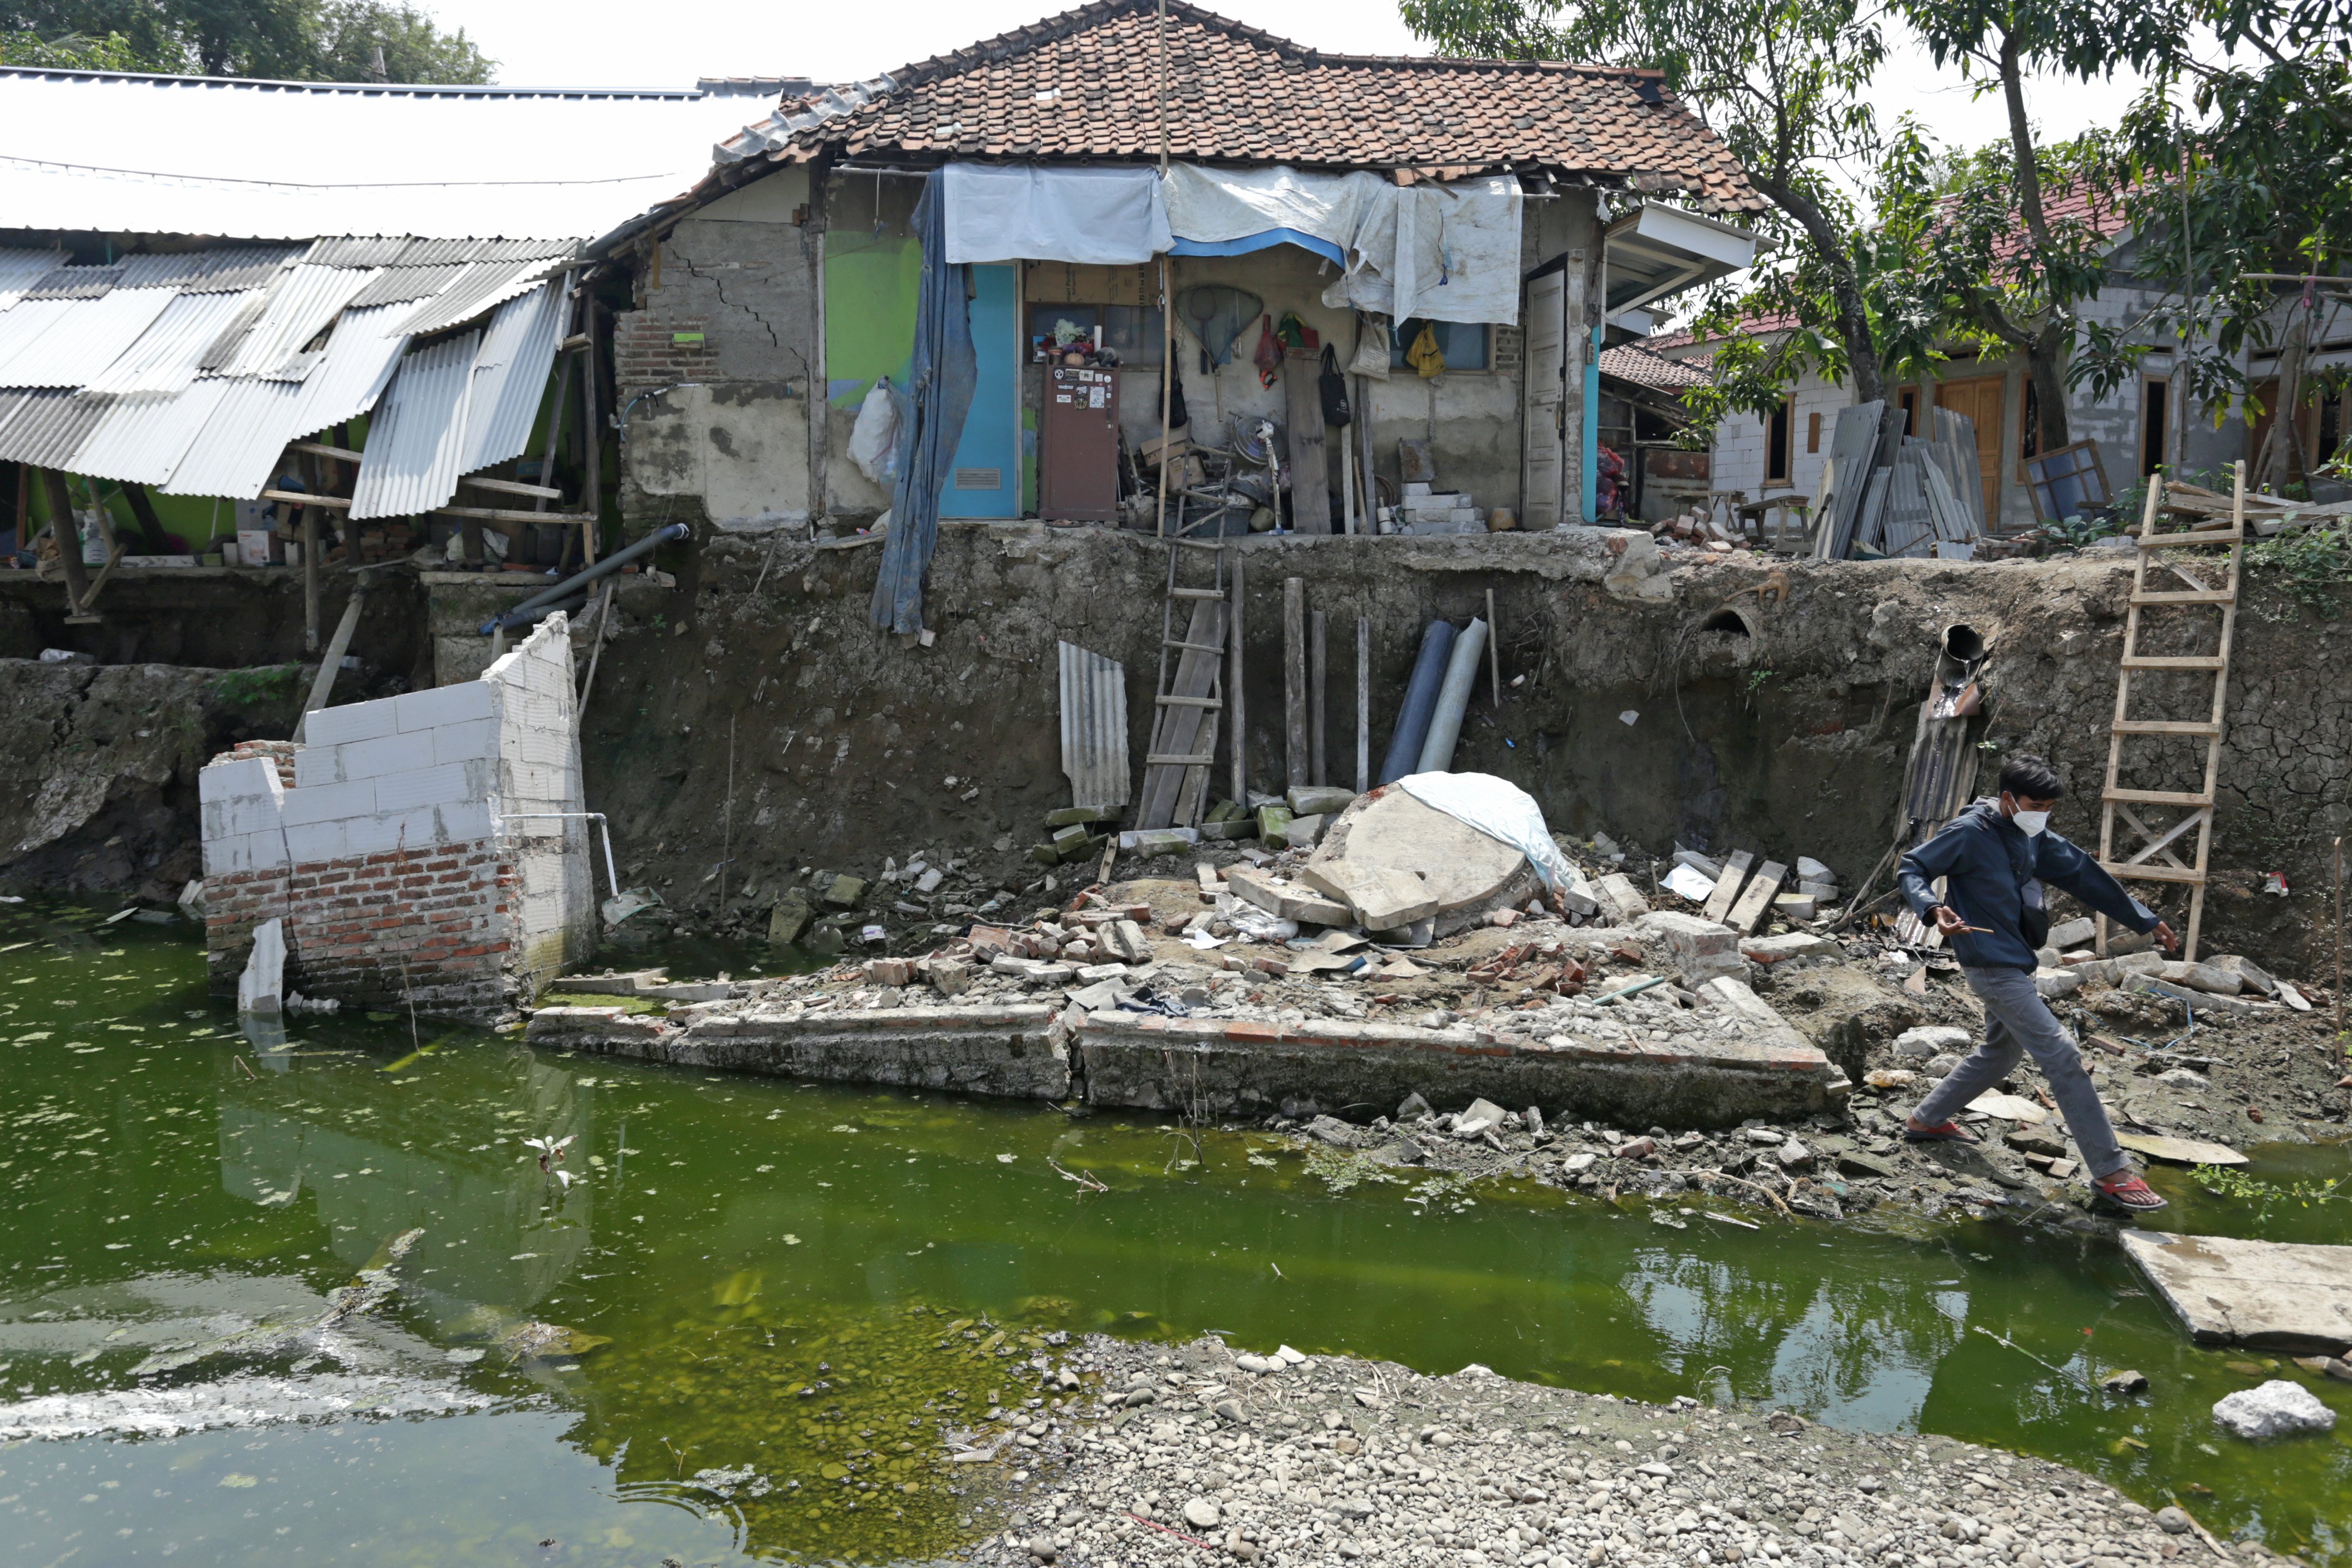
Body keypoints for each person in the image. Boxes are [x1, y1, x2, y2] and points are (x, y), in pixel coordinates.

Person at [1895, 754, 2180, 1211]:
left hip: (2018, 961)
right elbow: (1912, 867)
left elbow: (2085, 875)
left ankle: (1926, 1119)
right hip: (1989, 965)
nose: (2043, 813)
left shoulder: (2032, 834)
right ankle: (2113, 1173)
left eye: (2049, 806)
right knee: (2063, 1054)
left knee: (2002, 1051)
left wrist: (2145, 919)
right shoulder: (1969, 833)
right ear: (2008, 798)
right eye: (2036, 803)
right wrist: (1932, 909)